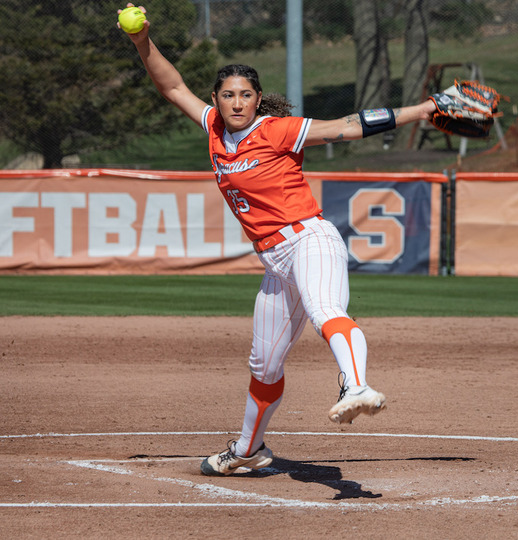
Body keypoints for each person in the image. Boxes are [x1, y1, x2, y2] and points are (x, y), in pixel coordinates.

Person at [118, 4, 439, 476]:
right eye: (227, 95)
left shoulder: (277, 130)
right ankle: (248, 450)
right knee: (264, 364)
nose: (236, 103)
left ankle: (354, 386)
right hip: (275, 262)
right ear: (217, 99)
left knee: (326, 311)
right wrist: (141, 40)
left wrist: (424, 110)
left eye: (245, 95)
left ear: (258, 99)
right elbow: (171, 86)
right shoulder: (212, 128)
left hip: (309, 239)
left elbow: (347, 126)